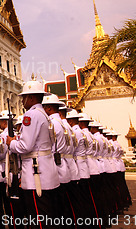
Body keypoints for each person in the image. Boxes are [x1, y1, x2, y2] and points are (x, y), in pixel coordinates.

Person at [5, 80, 60, 229]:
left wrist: (11, 143)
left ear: (31, 98)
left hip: (36, 174)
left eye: (24, 98)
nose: (22, 101)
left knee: (37, 218)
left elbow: (25, 146)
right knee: (47, 216)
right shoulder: (44, 115)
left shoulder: (31, 115)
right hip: (47, 171)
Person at [42, 94, 77, 226]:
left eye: (43, 107)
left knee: (58, 208)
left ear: (49, 108)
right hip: (67, 165)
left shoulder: (52, 124)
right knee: (66, 206)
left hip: (56, 166)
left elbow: (48, 147)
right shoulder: (64, 125)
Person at [0, 111, 23, 228]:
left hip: (8, 170)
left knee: (9, 205)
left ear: (4, 122)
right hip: (18, 170)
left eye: (0, 122)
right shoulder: (18, 134)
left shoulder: (3, 135)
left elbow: (2, 154)